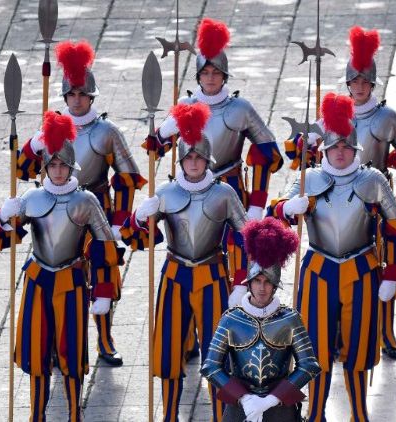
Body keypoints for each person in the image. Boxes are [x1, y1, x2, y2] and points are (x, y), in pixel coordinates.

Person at [270, 93, 396, 421]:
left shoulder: (373, 181)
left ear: (355, 150)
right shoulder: (310, 179)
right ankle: (316, 414)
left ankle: (359, 413)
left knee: (359, 350)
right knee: (315, 348)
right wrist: (288, 208)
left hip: (362, 269)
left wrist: (392, 274)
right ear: (325, 150)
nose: (341, 152)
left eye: (346, 147)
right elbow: (275, 218)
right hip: (318, 270)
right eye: (335, 147)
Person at [0, 111, 125, 421]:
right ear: (46, 167)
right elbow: (2, 239)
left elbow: (104, 250)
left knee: (71, 356)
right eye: (53, 165)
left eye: (63, 165)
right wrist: (3, 218)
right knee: (36, 354)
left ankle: (75, 414)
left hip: (72, 282)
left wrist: (102, 290)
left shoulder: (86, 201)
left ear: (71, 167)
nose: (58, 171)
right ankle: (37, 416)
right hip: (37, 280)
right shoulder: (32, 198)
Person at [15, 40, 144, 366]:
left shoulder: (106, 131)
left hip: (96, 206)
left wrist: (119, 222)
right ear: (65, 97)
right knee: (60, 275)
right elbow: (23, 170)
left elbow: (127, 176)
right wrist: (35, 144)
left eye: (82, 94)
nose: (76, 99)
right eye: (71, 94)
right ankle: (60, 343)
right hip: (56, 210)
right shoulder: (53, 128)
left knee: (104, 272)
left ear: (91, 96)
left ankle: (105, 338)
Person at [122, 102, 248, 422]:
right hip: (175, 276)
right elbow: (136, 239)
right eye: (188, 157)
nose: (194, 162)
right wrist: (140, 218)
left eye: (199, 157)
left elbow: (246, 236)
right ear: (181, 160)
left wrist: (242, 282)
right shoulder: (165, 192)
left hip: (213, 276)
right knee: (169, 351)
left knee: (217, 355)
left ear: (208, 159)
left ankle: (222, 416)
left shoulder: (224, 194)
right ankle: (169, 416)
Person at [155, 18, 283, 310]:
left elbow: (268, 151)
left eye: (216, 72)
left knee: (237, 247)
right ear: (198, 76)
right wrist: (164, 130)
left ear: (224, 76)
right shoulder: (184, 107)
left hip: (231, 185)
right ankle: (187, 327)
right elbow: (155, 149)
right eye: (205, 72)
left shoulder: (241, 109)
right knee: (188, 246)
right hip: (188, 188)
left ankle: (235, 307)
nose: (210, 78)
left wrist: (257, 202)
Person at [201, 218, 320, 422]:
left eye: (267, 282)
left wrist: (272, 399)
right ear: (249, 283)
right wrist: (245, 398)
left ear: (275, 286)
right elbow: (211, 366)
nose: (262, 288)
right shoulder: (231, 319)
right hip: (240, 405)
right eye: (257, 281)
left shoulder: (290, 319)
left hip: (280, 405)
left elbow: (309, 365)